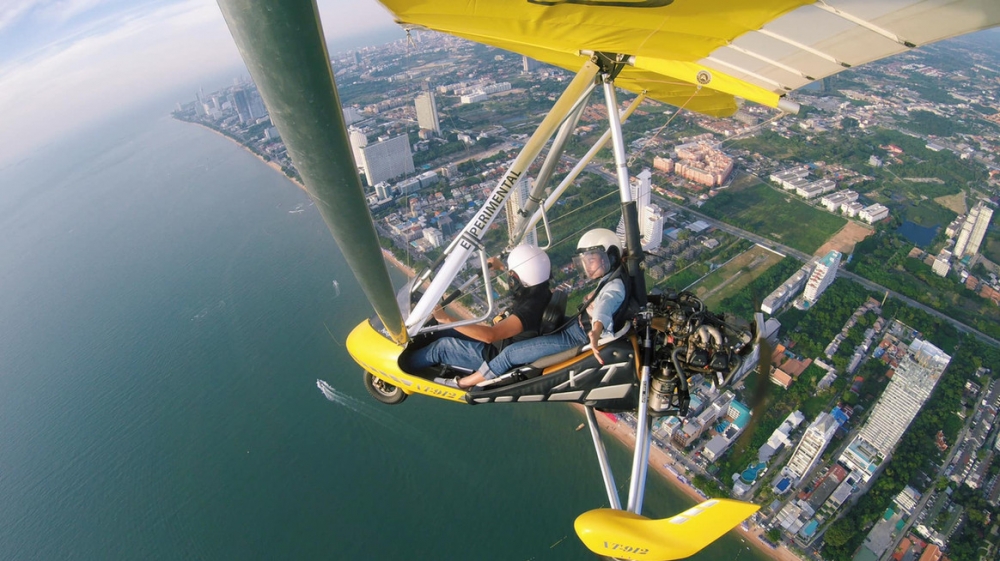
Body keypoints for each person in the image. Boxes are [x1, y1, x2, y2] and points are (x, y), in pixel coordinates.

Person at [456, 228, 626, 388]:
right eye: (585, 261)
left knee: (510, 354)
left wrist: (596, 332)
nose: (587, 266)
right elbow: (531, 276)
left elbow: (604, 307)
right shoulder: (612, 277)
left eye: (591, 259)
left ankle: (464, 383)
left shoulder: (614, 287)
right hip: (575, 326)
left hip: (578, 337)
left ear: (609, 256)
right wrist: (504, 267)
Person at [405, 244, 552, 387]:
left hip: (494, 355)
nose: (510, 278)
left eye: (511, 275)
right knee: (444, 330)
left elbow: (491, 335)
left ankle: (404, 365)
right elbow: (528, 274)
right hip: (500, 343)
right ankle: (418, 350)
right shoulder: (540, 290)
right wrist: (503, 267)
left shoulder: (529, 308)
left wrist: (447, 319)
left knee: (442, 347)